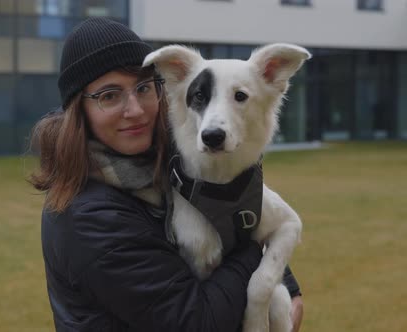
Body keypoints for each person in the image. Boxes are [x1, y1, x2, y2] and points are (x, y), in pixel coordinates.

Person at [30, 17, 303, 331]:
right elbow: (196, 321)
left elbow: (254, 228)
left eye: (143, 87)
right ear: (80, 109)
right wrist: (255, 245)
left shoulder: (176, 163)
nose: (135, 110)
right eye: (109, 96)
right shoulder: (88, 216)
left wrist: (277, 281)